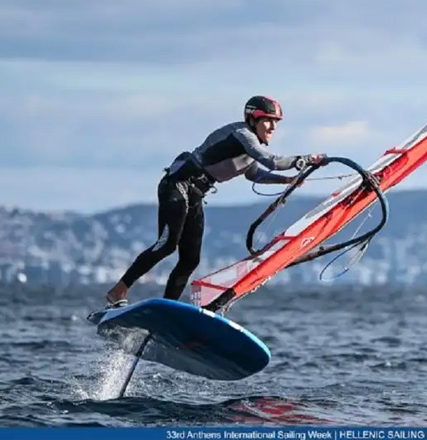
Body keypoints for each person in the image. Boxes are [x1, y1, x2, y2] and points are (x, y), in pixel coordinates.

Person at [94, 95, 326, 314]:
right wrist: (304, 160)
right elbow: (271, 161)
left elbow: (254, 174)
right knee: (167, 245)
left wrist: (286, 180)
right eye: (268, 122)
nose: (273, 128)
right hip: (177, 185)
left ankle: (166, 310)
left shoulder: (250, 147)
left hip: (194, 194)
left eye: (276, 123)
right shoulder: (243, 135)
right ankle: (118, 291)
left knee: (190, 259)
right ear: (253, 119)